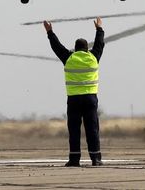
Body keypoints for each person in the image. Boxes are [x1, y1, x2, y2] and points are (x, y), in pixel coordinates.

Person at [44, 17, 104, 167]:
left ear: (75, 49)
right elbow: (100, 44)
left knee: (74, 130)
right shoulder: (93, 57)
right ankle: (96, 159)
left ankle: (74, 159)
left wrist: (50, 32)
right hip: (90, 99)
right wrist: (99, 29)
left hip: (74, 100)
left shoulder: (69, 58)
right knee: (92, 129)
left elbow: (56, 47)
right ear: (86, 48)